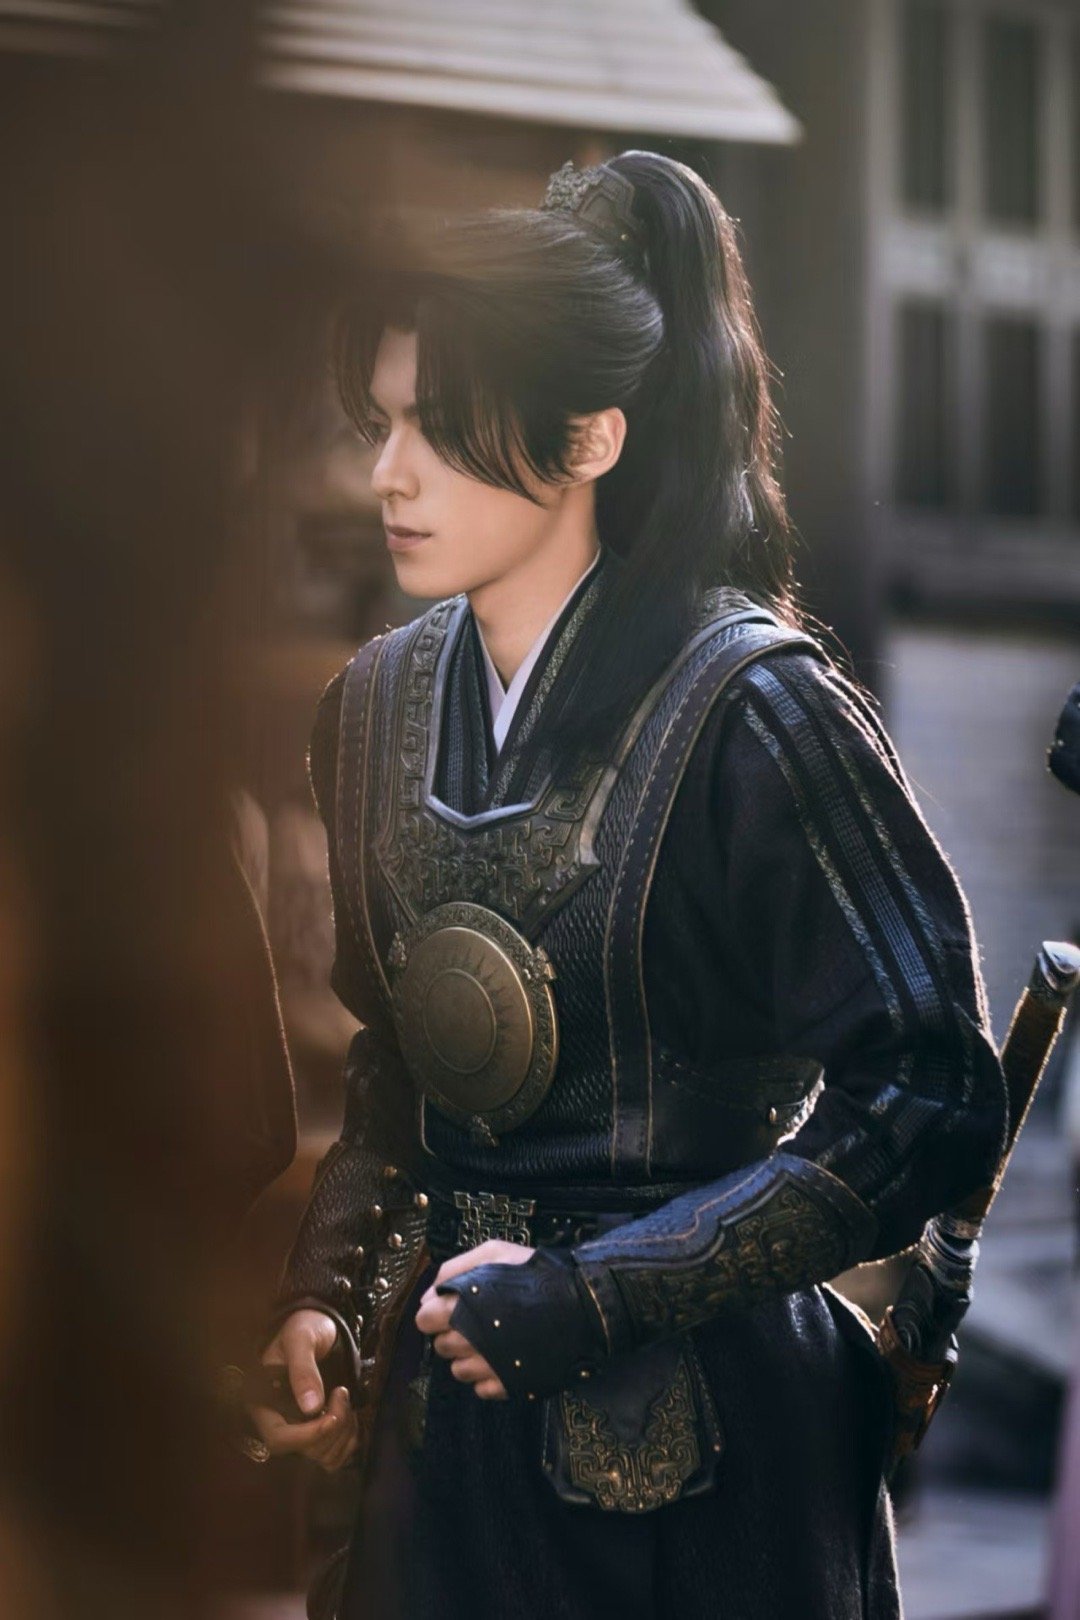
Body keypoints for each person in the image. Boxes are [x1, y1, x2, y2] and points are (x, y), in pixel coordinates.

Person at [250, 151, 1007, 1620]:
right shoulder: (371, 709)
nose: (389, 473)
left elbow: (928, 1092)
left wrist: (604, 1290)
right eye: (383, 422)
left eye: (440, 430)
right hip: (445, 1445)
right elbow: (398, 1064)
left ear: (592, 435)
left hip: (712, 1453)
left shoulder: (757, 715)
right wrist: (326, 1299)